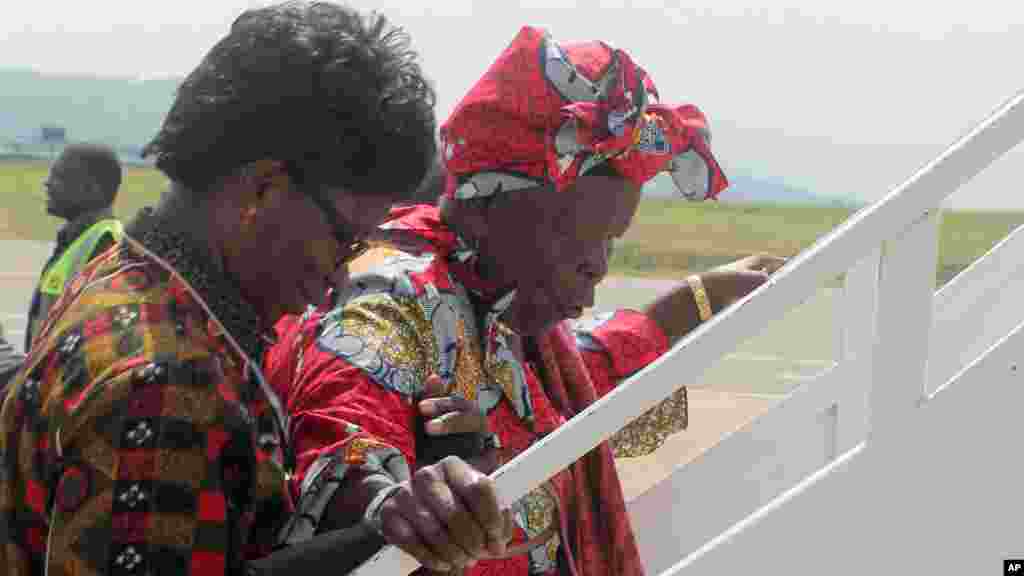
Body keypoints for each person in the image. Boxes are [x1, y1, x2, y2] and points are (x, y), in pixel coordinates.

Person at [0, 3, 504, 575]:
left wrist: (400, 499)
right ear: (263, 189)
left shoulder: (125, 276)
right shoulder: (170, 382)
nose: (340, 277)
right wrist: (391, 540)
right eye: (344, 239)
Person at [264, 25, 785, 575]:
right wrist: (401, 503)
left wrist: (692, 303)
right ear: (490, 206)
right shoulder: (389, 297)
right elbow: (347, 433)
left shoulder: (498, 310)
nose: (598, 264)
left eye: (611, 240)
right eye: (579, 234)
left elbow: (550, 389)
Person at [24, 143, 124, 350]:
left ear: (91, 189)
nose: (47, 183)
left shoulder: (105, 243)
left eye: (59, 177)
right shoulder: (78, 238)